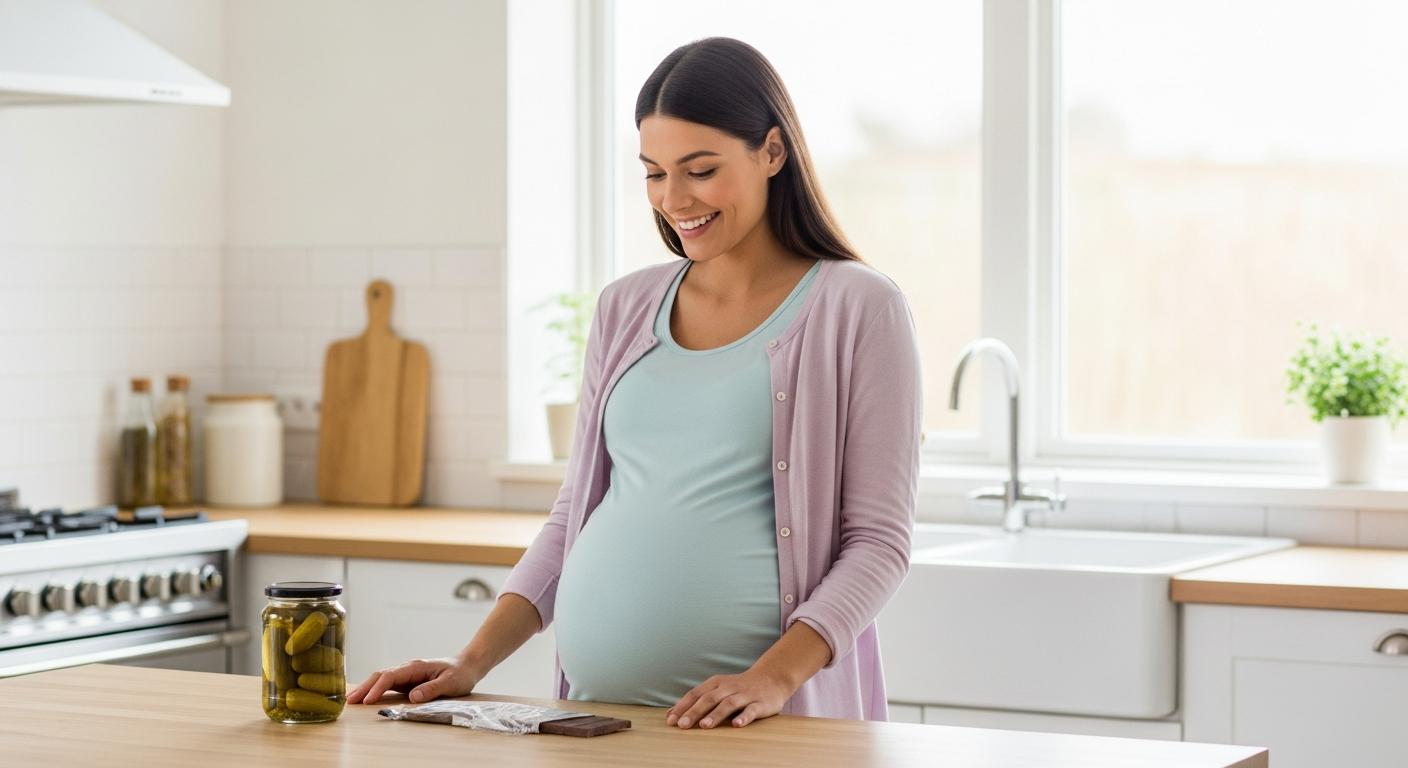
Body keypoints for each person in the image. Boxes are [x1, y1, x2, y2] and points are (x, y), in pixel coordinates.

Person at [348, 36, 922, 731]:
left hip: (761, 725)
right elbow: (573, 516)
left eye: (700, 170)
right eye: (653, 173)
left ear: (773, 151)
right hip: (595, 717)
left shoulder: (858, 307)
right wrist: (471, 662)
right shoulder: (625, 308)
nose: (673, 199)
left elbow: (879, 544)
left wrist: (772, 679)